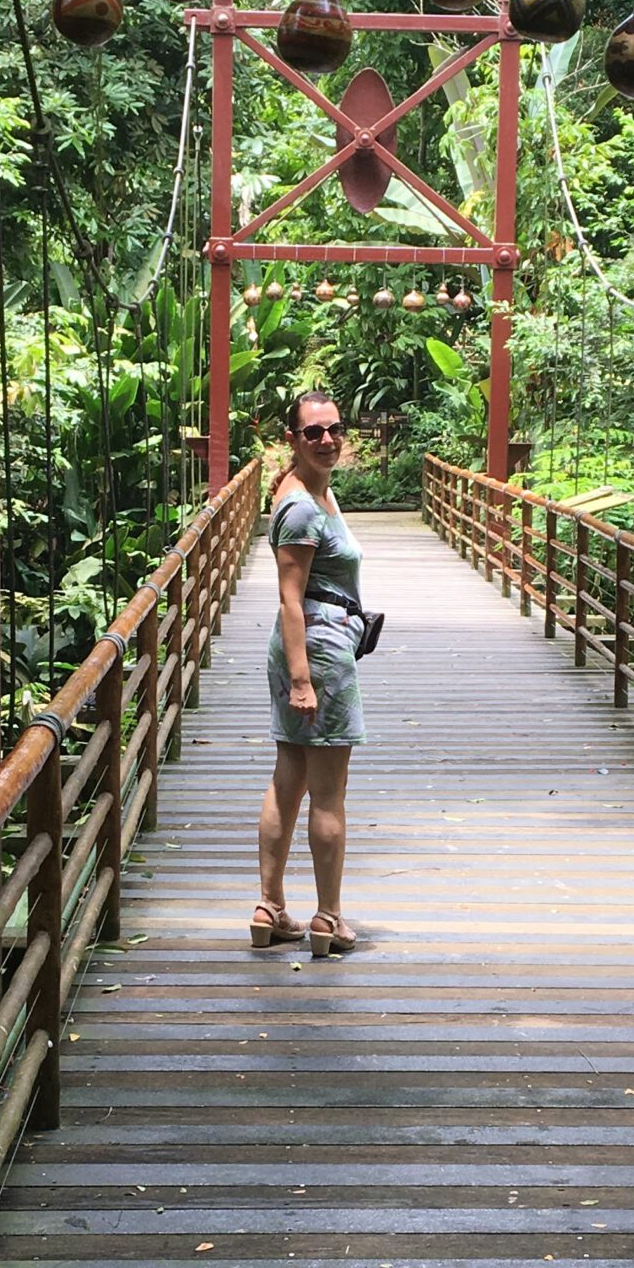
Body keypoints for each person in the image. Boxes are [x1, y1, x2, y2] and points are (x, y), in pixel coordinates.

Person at [253, 390, 363, 959]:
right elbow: (289, 599)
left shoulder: (318, 493)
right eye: (313, 432)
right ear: (291, 439)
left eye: (334, 429)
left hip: (310, 649)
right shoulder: (299, 506)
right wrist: (303, 679)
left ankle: (270, 907)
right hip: (315, 653)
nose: (327, 439)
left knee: (290, 776)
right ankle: (329, 918)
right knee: (327, 794)